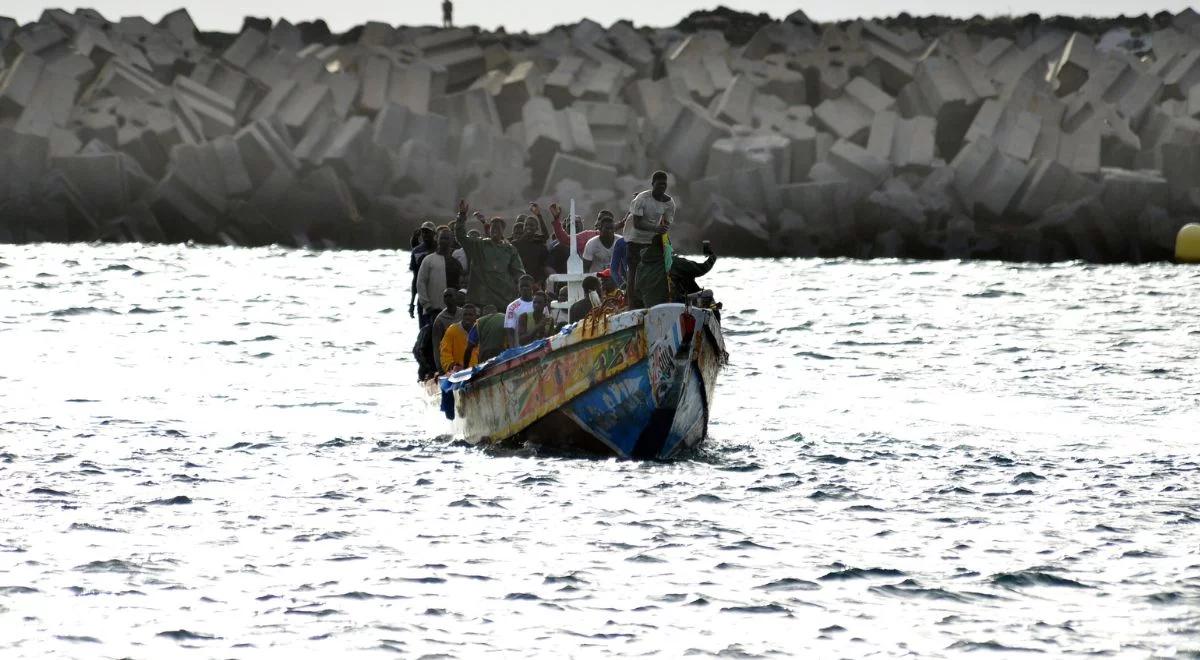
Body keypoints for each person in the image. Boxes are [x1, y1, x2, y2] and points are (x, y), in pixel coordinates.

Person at [453, 200, 526, 313]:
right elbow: (461, 236)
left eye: (498, 227)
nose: (495, 229)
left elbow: (519, 272)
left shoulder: (510, 249)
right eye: (493, 227)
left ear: (503, 231)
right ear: (489, 229)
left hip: (504, 299)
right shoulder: (478, 245)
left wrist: (523, 286)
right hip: (481, 300)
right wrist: (461, 216)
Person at [626, 171, 676, 309]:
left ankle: (655, 302)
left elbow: (666, 223)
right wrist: (656, 228)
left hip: (651, 241)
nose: (662, 187)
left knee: (656, 272)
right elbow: (637, 223)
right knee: (634, 272)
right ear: (652, 184)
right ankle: (632, 306)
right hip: (634, 239)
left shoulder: (669, 203)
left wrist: (664, 230)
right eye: (659, 184)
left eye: (664, 184)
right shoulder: (642, 199)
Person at [634, 235, 717, 308]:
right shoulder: (672, 262)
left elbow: (637, 292)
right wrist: (712, 257)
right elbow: (702, 269)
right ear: (666, 247)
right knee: (708, 294)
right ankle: (712, 325)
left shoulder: (640, 266)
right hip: (675, 305)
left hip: (650, 307)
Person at [416, 228, 463, 330]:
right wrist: (427, 305)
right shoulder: (428, 259)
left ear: (451, 241)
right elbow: (420, 283)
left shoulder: (456, 263)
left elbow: (461, 286)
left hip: (452, 313)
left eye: (447, 238)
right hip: (432, 310)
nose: (444, 241)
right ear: (437, 239)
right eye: (442, 238)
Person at [408, 221, 437, 322]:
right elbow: (415, 278)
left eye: (428, 232)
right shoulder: (416, 251)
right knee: (423, 330)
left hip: (438, 294)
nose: (425, 234)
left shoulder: (441, 249)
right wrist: (412, 302)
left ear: (434, 234)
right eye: (423, 232)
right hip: (422, 296)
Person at [515, 205, 551, 283]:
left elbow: (544, 267)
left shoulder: (540, 245)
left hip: (535, 284)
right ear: (523, 227)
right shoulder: (515, 244)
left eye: (531, 225)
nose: (528, 227)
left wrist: (539, 216)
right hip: (518, 283)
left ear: (536, 228)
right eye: (526, 225)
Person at [430, 287, 462, 373]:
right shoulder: (440, 320)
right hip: (449, 359)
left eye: (450, 296)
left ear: (456, 297)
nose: (448, 299)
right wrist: (440, 368)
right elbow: (436, 345)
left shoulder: (463, 314)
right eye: (445, 296)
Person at [440, 302, 479, 372]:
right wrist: (451, 365)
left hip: (477, 369)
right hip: (458, 371)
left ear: (475, 316)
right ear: (461, 316)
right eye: (465, 315)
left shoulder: (480, 329)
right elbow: (445, 352)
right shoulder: (452, 330)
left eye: (470, 315)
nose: (468, 317)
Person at [504, 274, 536, 348]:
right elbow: (510, 331)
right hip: (520, 350)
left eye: (527, 285)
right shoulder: (512, 307)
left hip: (538, 348)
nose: (524, 288)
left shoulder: (540, 303)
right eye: (522, 286)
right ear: (518, 287)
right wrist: (512, 350)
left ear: (532, 287)